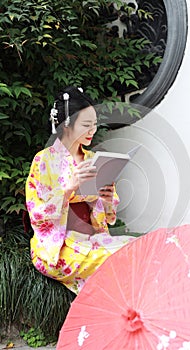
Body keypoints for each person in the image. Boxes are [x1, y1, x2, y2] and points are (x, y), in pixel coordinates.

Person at [25, 86, 134, 294]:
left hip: (92, 238)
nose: (92, 130)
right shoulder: (44, 161)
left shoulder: (93, 159)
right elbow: (37, 213)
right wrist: (68, 189)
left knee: (137, 248)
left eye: (94, 124)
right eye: (86, 125)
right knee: (116, 259)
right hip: (59, 247)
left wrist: (106, 199)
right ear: (67, 125)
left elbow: (106, 216)